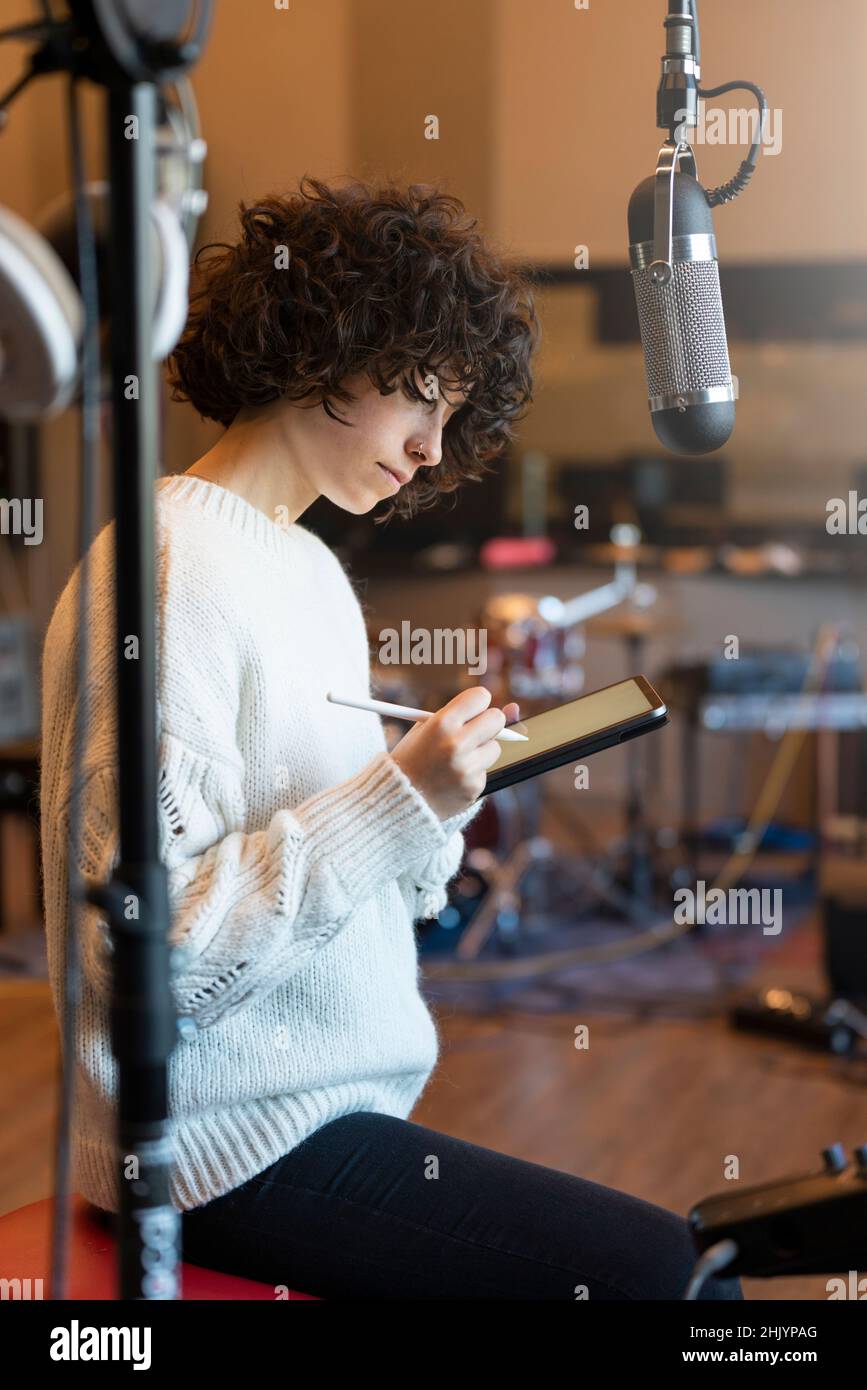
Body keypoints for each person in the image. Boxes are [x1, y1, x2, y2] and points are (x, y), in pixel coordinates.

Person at [41, 176, 742, 1300]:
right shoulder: (171, 569)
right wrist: (395, 802)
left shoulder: (309, 568)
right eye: (422, 396)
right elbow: (147, 965)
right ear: (326, 346)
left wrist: (439, 794)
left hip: (334, 1111)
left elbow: (379, 895)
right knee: (674, 1277)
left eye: (452, 416)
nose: (430, 448)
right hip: (221, 1148)